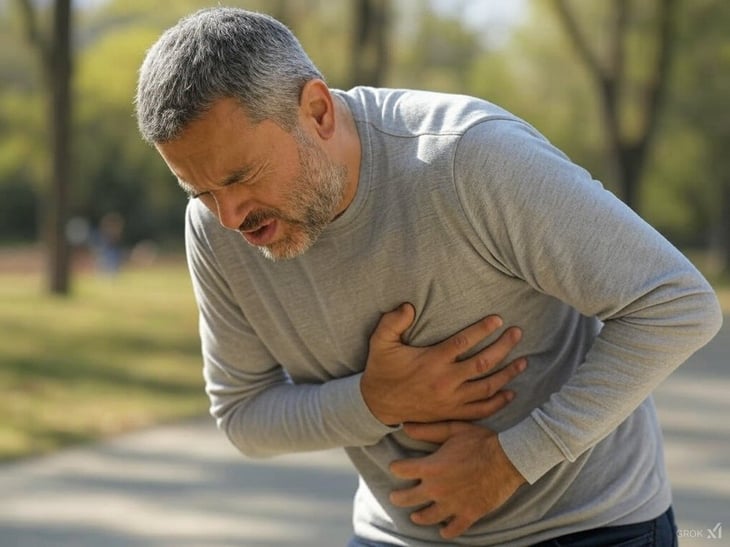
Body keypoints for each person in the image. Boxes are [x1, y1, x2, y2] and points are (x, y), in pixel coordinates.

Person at [135, 7, 722, 546]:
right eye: (201, 190)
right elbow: (243, 416)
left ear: (316, 110)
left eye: (241, 176)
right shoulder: (212, 230)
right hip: (395, 533)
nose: (231, 216)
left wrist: (512, 460)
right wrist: (374, 400)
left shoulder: (469, 159)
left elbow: (676, 303)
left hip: (591, 526)